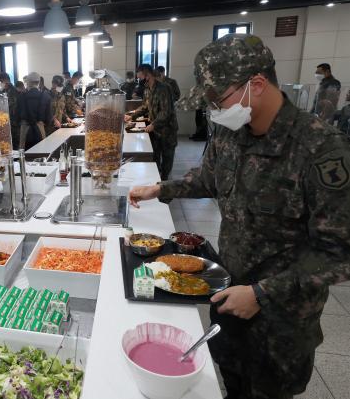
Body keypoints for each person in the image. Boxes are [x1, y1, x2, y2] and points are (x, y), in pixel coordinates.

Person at [128, 34, 350, 399]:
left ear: (257, 85)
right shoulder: (232, 134)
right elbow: (208, 179)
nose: (213, 110)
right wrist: (159, 189)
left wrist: (261, 294)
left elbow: (339, 250)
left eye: (217, 100)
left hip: (281, 320)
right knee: (229, 384)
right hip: (228, 294)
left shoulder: (321, 149)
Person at [139, 64, 178, 180]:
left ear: (148, 75)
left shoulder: (164, 88)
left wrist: (153, 124)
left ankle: (165, 186)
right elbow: (145, 107)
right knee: (155, 157)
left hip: (167, 130)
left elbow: (166, 111)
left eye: (141, 77)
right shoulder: (147, 89)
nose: (140, 80)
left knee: (167, 159)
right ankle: (156, 182)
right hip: (155, 131)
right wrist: (131, 116)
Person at [17, 72, 50, 150]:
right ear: (39, 82)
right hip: (40, 128)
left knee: (24, 154)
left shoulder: (20, 97)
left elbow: (16, 116)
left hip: (25, 128)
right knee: (42, 153)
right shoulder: (45, 96)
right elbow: (49, 118)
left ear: (28, 82)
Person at [0, 72, 20, 149]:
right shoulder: (4, 91)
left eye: (1, 81)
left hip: (13, 123)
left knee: (14, 145)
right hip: (6, 122)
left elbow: (12, 107)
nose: (0, 83)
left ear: (5, 80)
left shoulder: (13, 91)